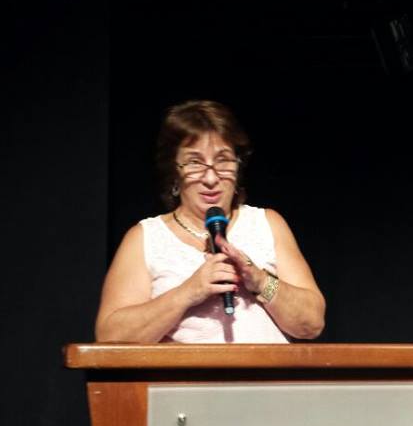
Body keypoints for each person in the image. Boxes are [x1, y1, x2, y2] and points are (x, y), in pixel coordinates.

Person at [95, 100, 325, 343]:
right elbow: (110, 338)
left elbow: (312, 323)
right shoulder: (145, 238)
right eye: (195, 162)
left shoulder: (267, 224)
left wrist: (260, 281)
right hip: (183, 370)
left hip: (268, 370)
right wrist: (189, 292)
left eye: (223, 160)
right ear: (174, 171)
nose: (211, 178)